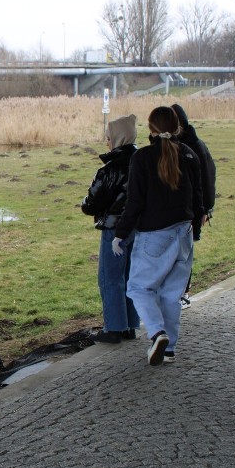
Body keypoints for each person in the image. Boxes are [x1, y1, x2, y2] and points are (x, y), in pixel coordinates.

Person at [114, 106, 204, 366]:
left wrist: (120, 234)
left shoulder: (142, 158)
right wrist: (194, 233)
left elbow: (135, 202)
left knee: (139, 287)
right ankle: (169, 349)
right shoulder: (189, 155)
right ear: (177, 127)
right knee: (171, 294)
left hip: (154, 235)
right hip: (184, 233)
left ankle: (156, 333)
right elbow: (197, 200)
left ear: (150, 128)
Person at [81, 114, 141, 344]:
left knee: (110, 277)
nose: (106, 141)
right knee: (129, 277)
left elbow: (92, 202)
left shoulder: (110, 169)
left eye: (109, 137)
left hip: (115, 229)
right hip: (138, 228)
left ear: (117, 138)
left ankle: (114, 327)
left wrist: (86, 206)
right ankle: (130, 325)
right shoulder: (142, 163)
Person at [171, 103, 216, 307]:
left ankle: (183, 292)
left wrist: (206, 209)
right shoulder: (175, 146)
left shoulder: (194, 147)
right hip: (176, 209)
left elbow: (206, 180)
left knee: (185, 252)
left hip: (191, 209)